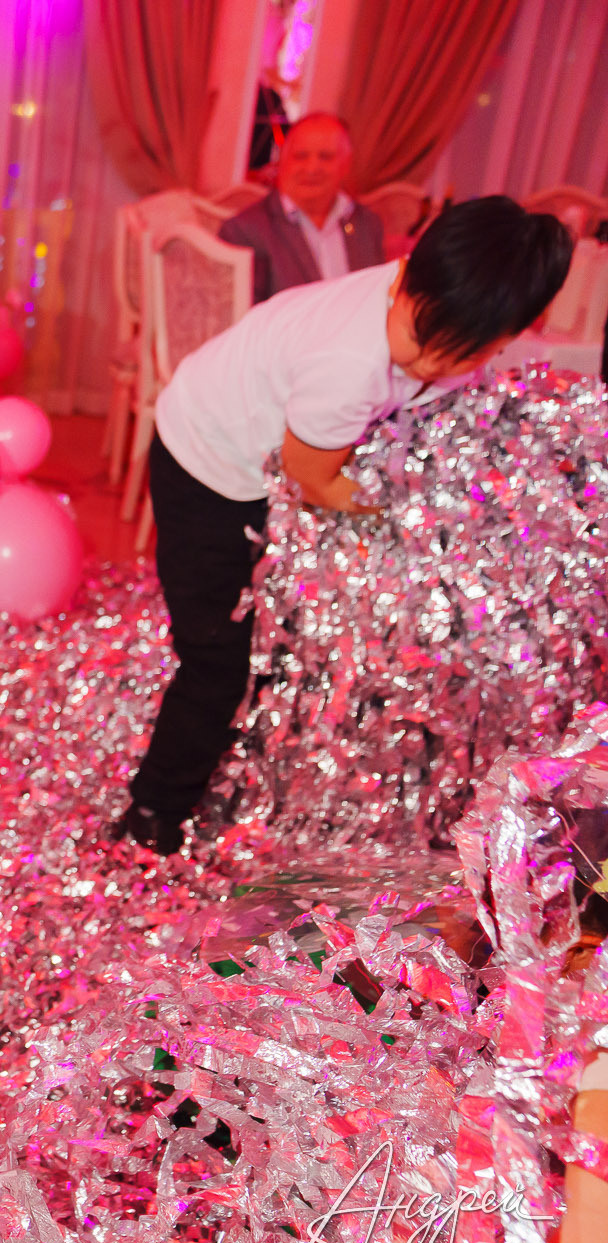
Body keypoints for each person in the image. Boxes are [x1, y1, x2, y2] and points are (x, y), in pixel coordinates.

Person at [113, 198, 574, 855]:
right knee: (219, 656)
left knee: (275, 636)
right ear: (412, 270)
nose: (423, 365)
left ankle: (239, 761)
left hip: (265, 454)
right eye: (420, 338)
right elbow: (313, 478)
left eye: (457, 356)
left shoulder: (428, 298)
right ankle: (151, 812)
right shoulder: (347, 362)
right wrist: (390, 518)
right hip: (205, 461)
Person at [219, 113, 386, 306]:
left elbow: (378, 299)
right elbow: (245, 319)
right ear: (282, 161)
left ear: (345, 164)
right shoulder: (245, 231)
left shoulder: (366, 224)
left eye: (325, 157)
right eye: (300, 156)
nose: (312, 168)